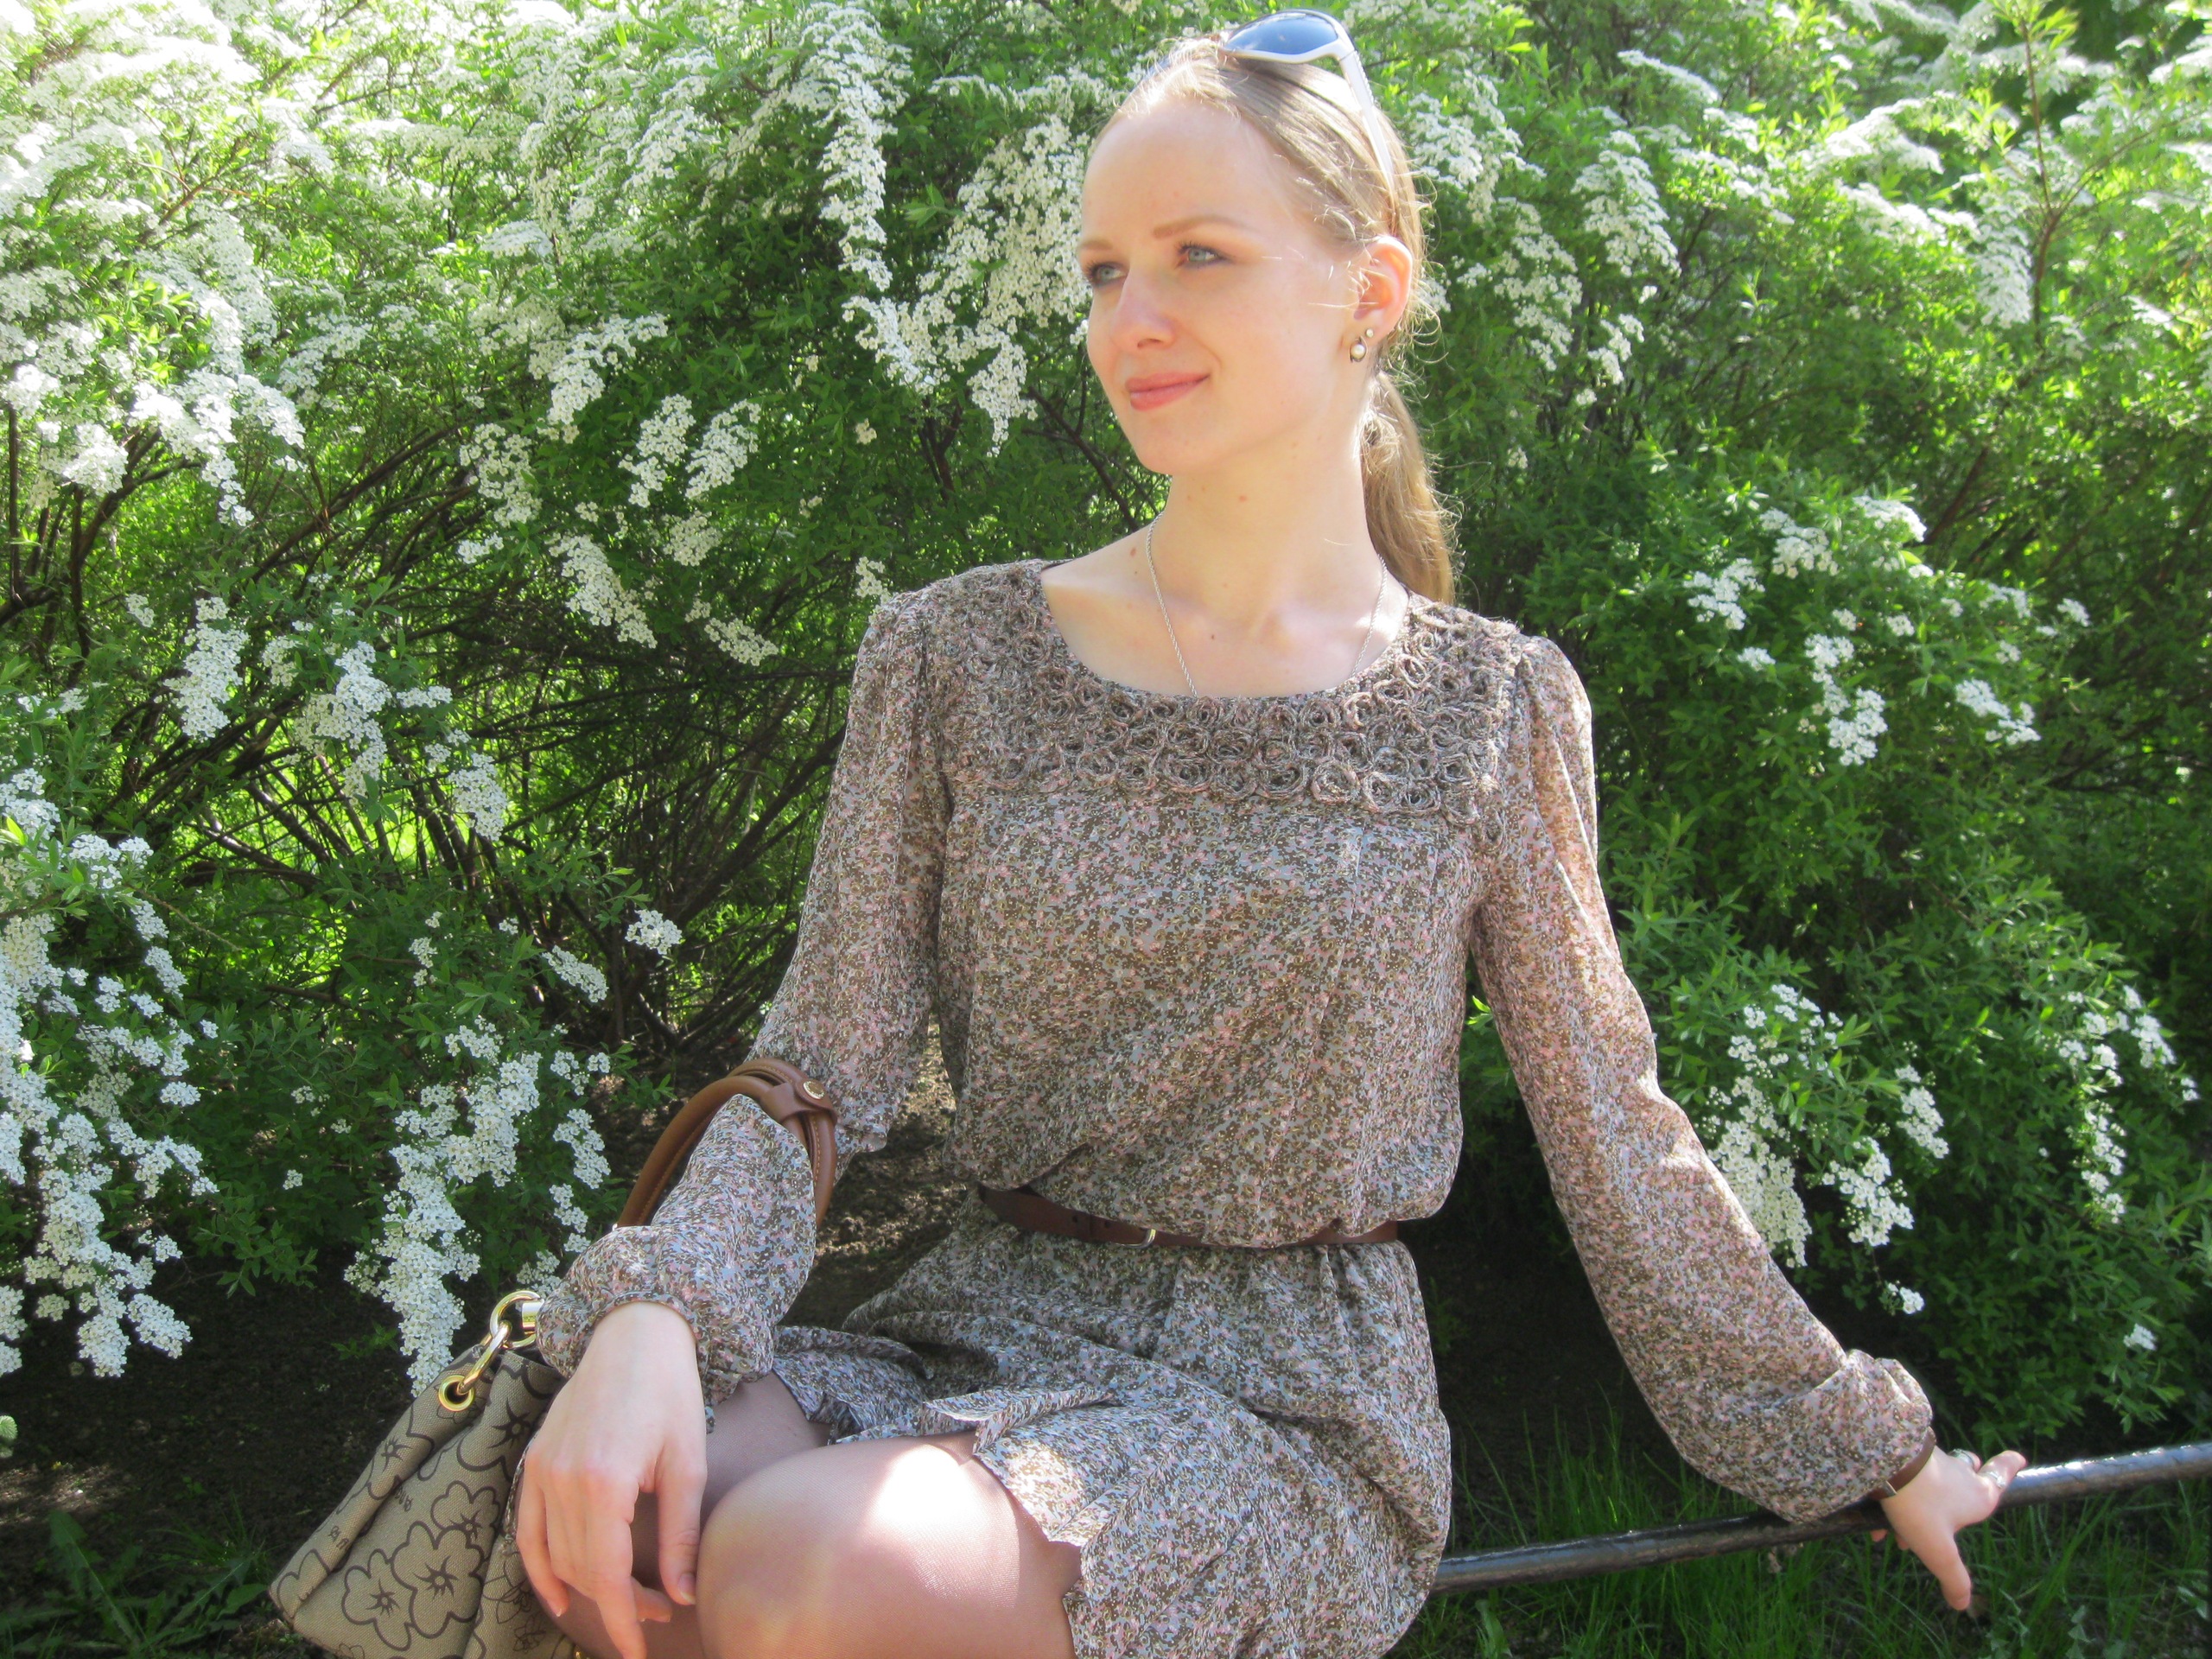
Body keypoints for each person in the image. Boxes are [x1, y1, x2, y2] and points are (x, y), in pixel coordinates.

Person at [511, 14, 2024, 1659]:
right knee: (625, 1517)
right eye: (1103, 271)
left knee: (809, 1562)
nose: (1130, 321)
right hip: (966, 1330)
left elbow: (1615, 1126)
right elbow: (822, 1063)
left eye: (1199, 256)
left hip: (1283, 1404)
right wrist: (658, 1312)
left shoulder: (1487, 711)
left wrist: (1869, 1444)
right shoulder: (954, 657)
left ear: (1369, 291)